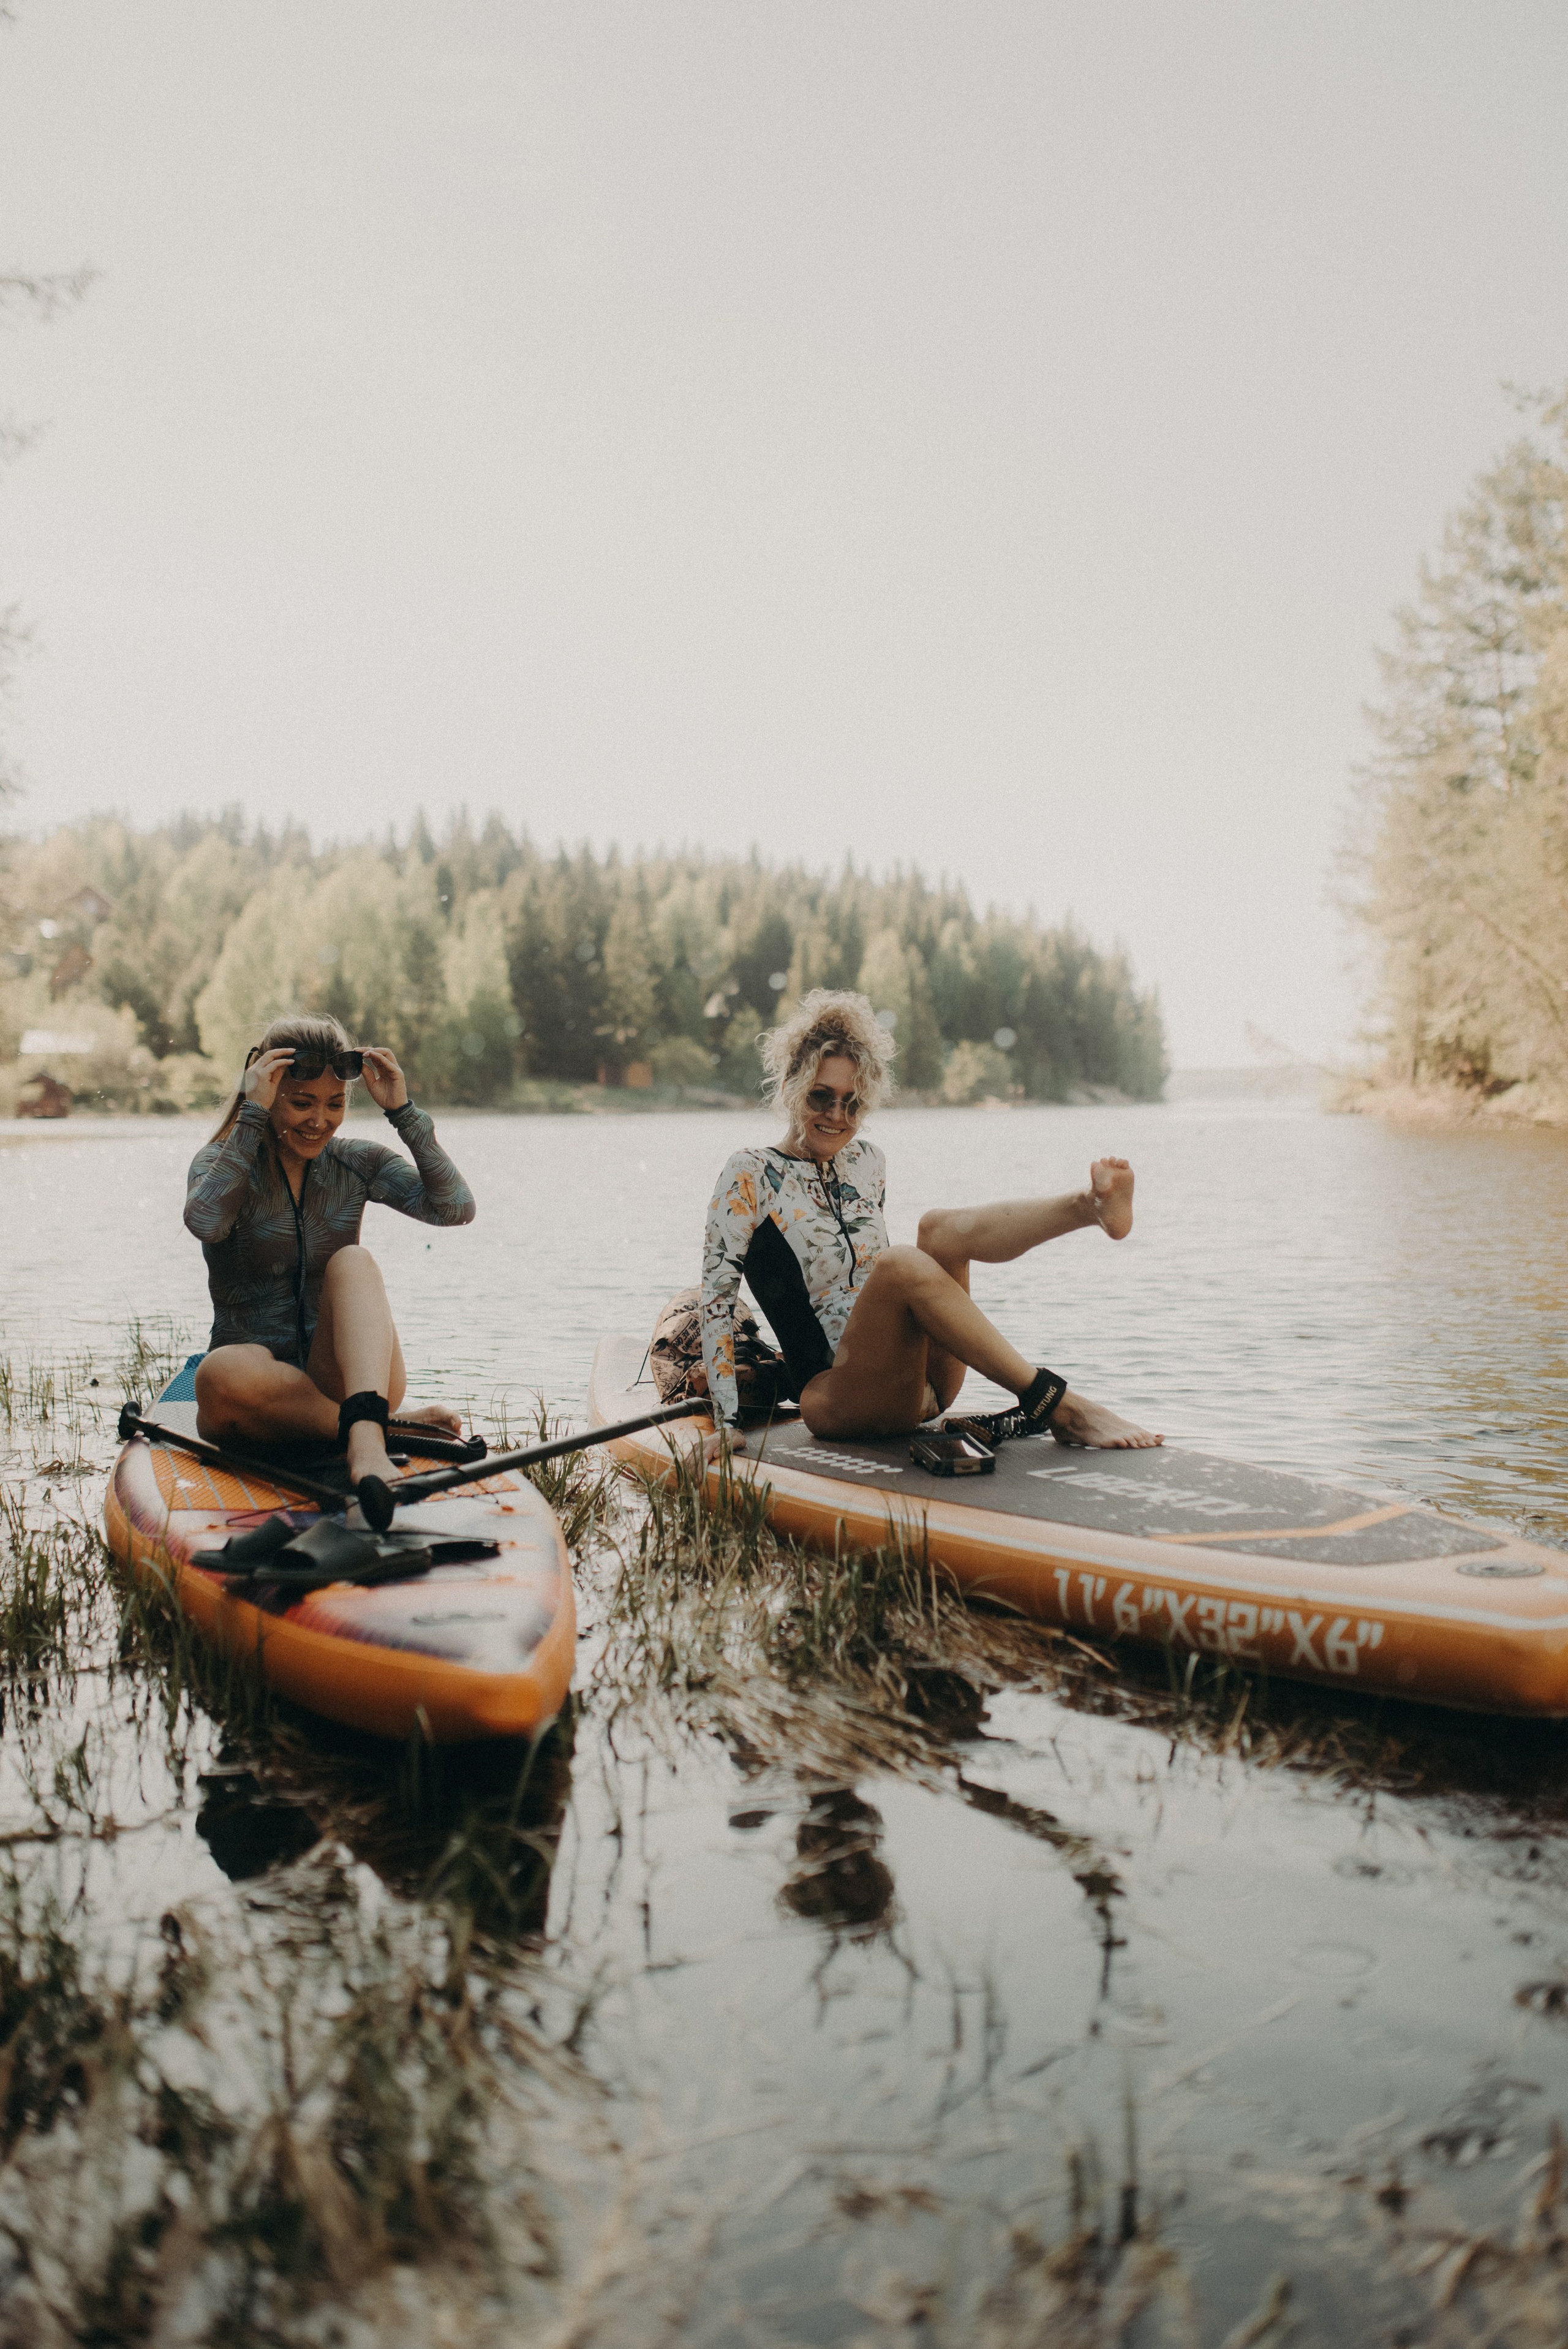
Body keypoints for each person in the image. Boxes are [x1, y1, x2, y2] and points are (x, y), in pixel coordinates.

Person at [699, 990, 1161, 1455]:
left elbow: (863, 1289)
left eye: (853, 1103)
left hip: (920, 1386)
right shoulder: (750, 1173)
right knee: (899, 1263)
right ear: (790, 1088)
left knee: (937, 1228)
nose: (837, 1115)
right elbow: (717, 1302)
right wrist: (726, 1421)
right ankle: (1054, 1402)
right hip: (836, 1399)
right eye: (821, 1096)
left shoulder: (868, 1161)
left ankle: (1088, 1206)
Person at [185, 1013, 476, 1496]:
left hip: (348, 1378)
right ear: (266, 1091)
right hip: (254, 1394)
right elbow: (207, 1222)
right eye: (301, 1103)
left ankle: (366, 1438)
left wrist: (403, 1112)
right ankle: (385, 1427)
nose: (319, 1120)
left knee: (354, 1261)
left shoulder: (356, 1162)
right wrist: (250, 1119)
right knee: (216, 1373)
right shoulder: (220, 1162)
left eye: (335, 1104)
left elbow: (456, 1208)